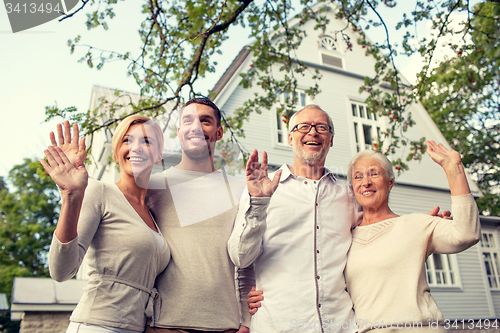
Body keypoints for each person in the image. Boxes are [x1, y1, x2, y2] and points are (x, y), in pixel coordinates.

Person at [143, 97, 280, 333]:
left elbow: (245, 263)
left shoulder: (240, 189)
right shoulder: (153, 186)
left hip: (224, 326)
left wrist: (246, 322)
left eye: (205, 121)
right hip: (163, 324)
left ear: (218, 132)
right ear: (179, 131)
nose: (196, 127)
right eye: (188, 121)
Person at [228, 105, 362, 332]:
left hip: (342, 326)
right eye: (303, 127)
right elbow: (240, 258)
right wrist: (258, 202)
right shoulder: (262, 187)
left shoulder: (348, 195)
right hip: (279, 325)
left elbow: (373, 235)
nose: (313, 132)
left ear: (331, 140)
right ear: (290, 138)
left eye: (322, 127)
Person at [41, 115, 170, 333]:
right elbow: (60, 271)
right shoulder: (99, 192)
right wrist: (71, 196)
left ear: (159, 155)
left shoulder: (155, 214)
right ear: (116, 151)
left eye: (146, 141)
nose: (136, 147)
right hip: (97, 325)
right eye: (127, 140)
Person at [343, 141, 480, 332]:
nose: (366, 182)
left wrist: (453, 169)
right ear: (352, 188)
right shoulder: (344, 239)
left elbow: (467, 234)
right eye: (358, 176)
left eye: (374, 173)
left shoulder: (416, 224)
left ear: (390, 183)